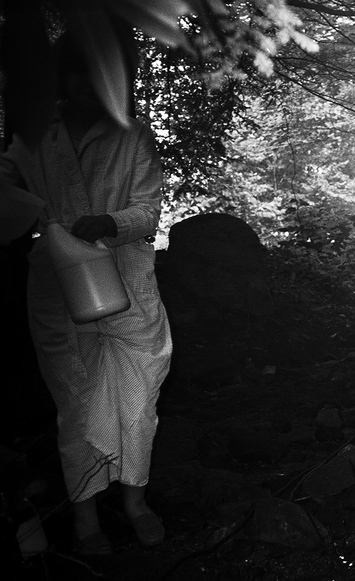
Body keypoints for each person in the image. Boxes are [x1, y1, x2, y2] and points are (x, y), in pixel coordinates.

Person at [0, 32, 172, 554]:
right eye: (82, 76)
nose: (92, 90)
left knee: (139, 395)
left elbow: (148, 210)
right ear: (63, 78)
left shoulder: (131, 136)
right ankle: (84, 517)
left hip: (129, 286)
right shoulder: (34, 136)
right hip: (59, 290)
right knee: (75, 401)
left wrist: (110, 222)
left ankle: (135, 499)